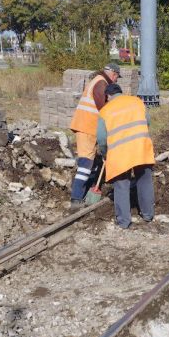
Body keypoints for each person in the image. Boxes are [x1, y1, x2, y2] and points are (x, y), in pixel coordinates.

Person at [97, 83, 155, 229]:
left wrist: (104, 153)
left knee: (122, 186)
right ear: (121, 93)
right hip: (141, 148)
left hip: (120, 153)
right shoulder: (137, 102)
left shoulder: (105, 111)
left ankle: (124, 221)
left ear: (108, 96)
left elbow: (102, 139)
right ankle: (148, 214)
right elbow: (147, 122)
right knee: (144, 181)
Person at [69, 63, 121, 208]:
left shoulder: (98, 80)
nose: (116, 80)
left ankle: (86, 190)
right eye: (117, 77)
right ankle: (76, 198)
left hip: (90, 127)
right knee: (86, 163)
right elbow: (103, 109)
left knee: (91, 162)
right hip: (87, 127)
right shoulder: (100, 83)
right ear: (113, 74)